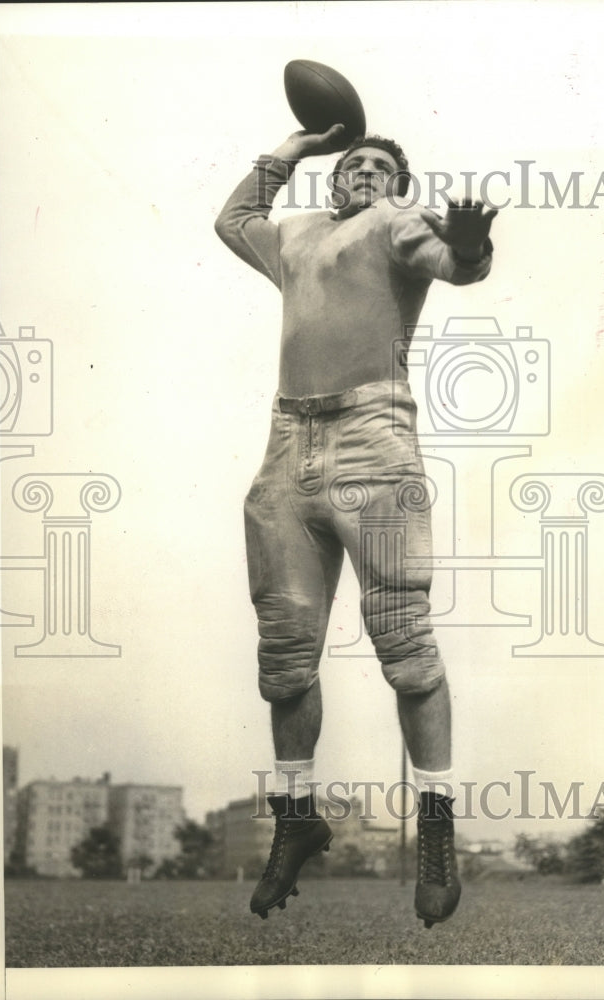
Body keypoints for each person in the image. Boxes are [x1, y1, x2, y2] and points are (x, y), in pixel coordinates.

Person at [215, 123, 496, 927]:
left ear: (396, 187)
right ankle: (297, 816)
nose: (365, 174)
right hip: (286, 447)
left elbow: (457, 264)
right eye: (353, 165)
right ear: (334, 180)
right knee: (284, 657)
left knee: (405, 647)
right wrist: (292, 150)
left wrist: (471, 247)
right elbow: (233, 222)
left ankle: (435, 827)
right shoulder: (298, 235)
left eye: (380, 167)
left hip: (373, 441)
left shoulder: (396, 224)